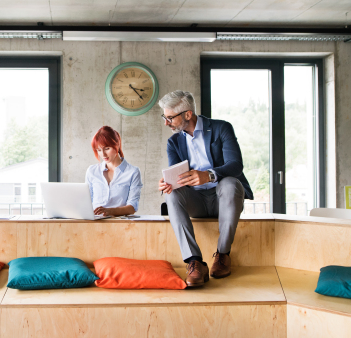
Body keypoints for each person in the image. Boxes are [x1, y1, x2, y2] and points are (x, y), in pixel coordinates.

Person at [158, 91, 253, 287]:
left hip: (224, 198)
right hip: (197, 201)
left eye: (170, 118)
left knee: (230, 183)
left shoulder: (221, 128)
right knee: (172, 193)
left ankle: (223, 255)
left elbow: (235, 165)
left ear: (187, 114)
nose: (166, 123)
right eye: (164, 117)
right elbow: (177, 176)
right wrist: (168, 183)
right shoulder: (174, 142)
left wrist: (208, 175)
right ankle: (194, 261)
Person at [85, 126, 143, 217]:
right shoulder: (92, 171)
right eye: (99, 150)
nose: (103, 154)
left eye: (107, 148)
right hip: (95, 223)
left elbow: (132, 207)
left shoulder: (133, 172)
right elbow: (86, 202)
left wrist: (110, 211)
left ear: (117, 145)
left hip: (120, 223)